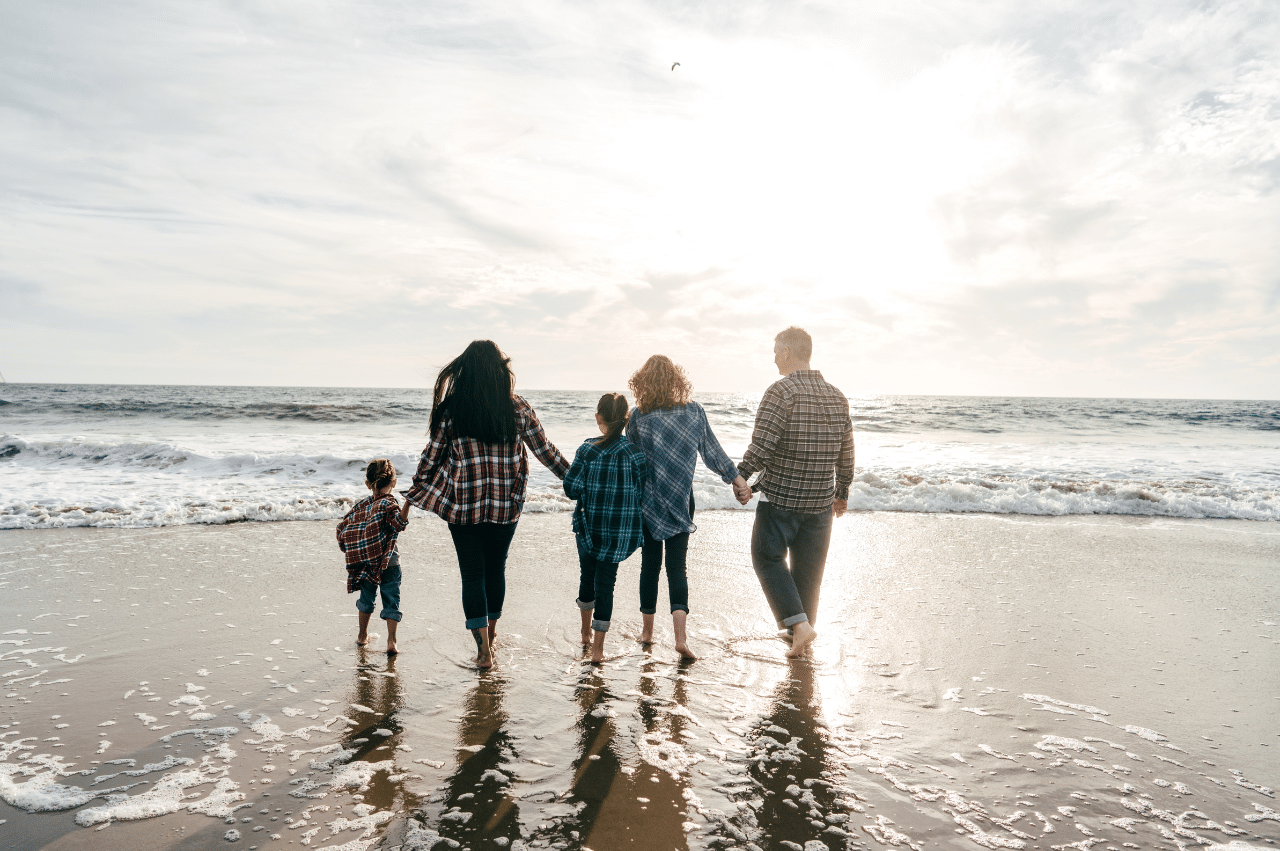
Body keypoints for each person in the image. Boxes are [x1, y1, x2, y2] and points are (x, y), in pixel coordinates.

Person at [405, 340, 569, 669]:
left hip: (462, 507)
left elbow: (431, 459)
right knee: (496, 569)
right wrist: (576, 479)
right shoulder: (518, 407)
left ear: (465, 371)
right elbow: (545, 451)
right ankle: (491, 639)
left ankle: (482, 652)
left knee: (472, 576)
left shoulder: (453, 411)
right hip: (506, 506)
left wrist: (412, 495)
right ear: (500, 370)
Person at [733, 327, 855, 657]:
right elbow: (846, 452)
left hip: (781, 501)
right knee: (808, 574)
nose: (774, 359)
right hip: (819, 503)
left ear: (787, 352)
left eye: (776, 352)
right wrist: (841, 491)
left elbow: (763, 444)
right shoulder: (837, 396)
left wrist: (741, 476)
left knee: (767, 557)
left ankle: (799, 628)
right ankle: (801, 638)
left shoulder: (781, 392)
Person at [626, 354, 748, 659]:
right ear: (677, 379)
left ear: (644, 383)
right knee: (677, 567)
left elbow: (632, 460)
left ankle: (647, 633)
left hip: (649, 502)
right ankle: (681, 639)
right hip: (682, 499)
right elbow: (712, 452)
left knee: (650, 566)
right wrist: (736, 478)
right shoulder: (694, 412)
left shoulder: (639, 416)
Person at [563, 393, 649, 665]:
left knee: (586, 578)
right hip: (618, 532)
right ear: (625, 420)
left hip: (589, 528)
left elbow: (571, 489)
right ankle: (599, 650)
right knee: (606, 585)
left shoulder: (586, 450)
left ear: (598, 418)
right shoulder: (635, 453)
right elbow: (642, 490)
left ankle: (585, 633)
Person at [337, 459, 411, 655]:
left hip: (366, 562)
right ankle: (391, 641)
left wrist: (354, 549)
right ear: (394, 483)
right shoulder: (390, 502)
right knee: (391, 599)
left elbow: (345, 526)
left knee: (366, 598)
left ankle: (362, 636)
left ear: (367, 484)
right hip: (389, 562)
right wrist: (409, 503)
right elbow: (399, 524)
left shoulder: (362, 506)